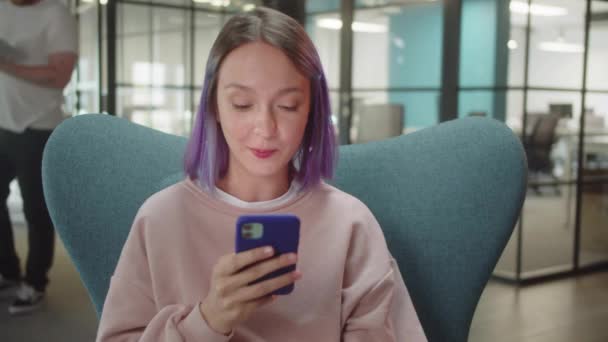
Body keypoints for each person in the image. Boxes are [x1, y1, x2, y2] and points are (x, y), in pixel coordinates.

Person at [96, 7, 426, 341]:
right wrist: (208, 320)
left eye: (287, 106)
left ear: (312, 111)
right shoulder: (160, 219)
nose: (265, 128)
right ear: (214, 106)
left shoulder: (351, 223)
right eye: (242, 104)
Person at [0, 0, 77, 315]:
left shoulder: (55, 14)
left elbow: (60, 75)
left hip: (39, 127)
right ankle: (7, 271)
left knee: (36, 209)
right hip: (1, 124)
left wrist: (5, 64)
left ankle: (35, 282)